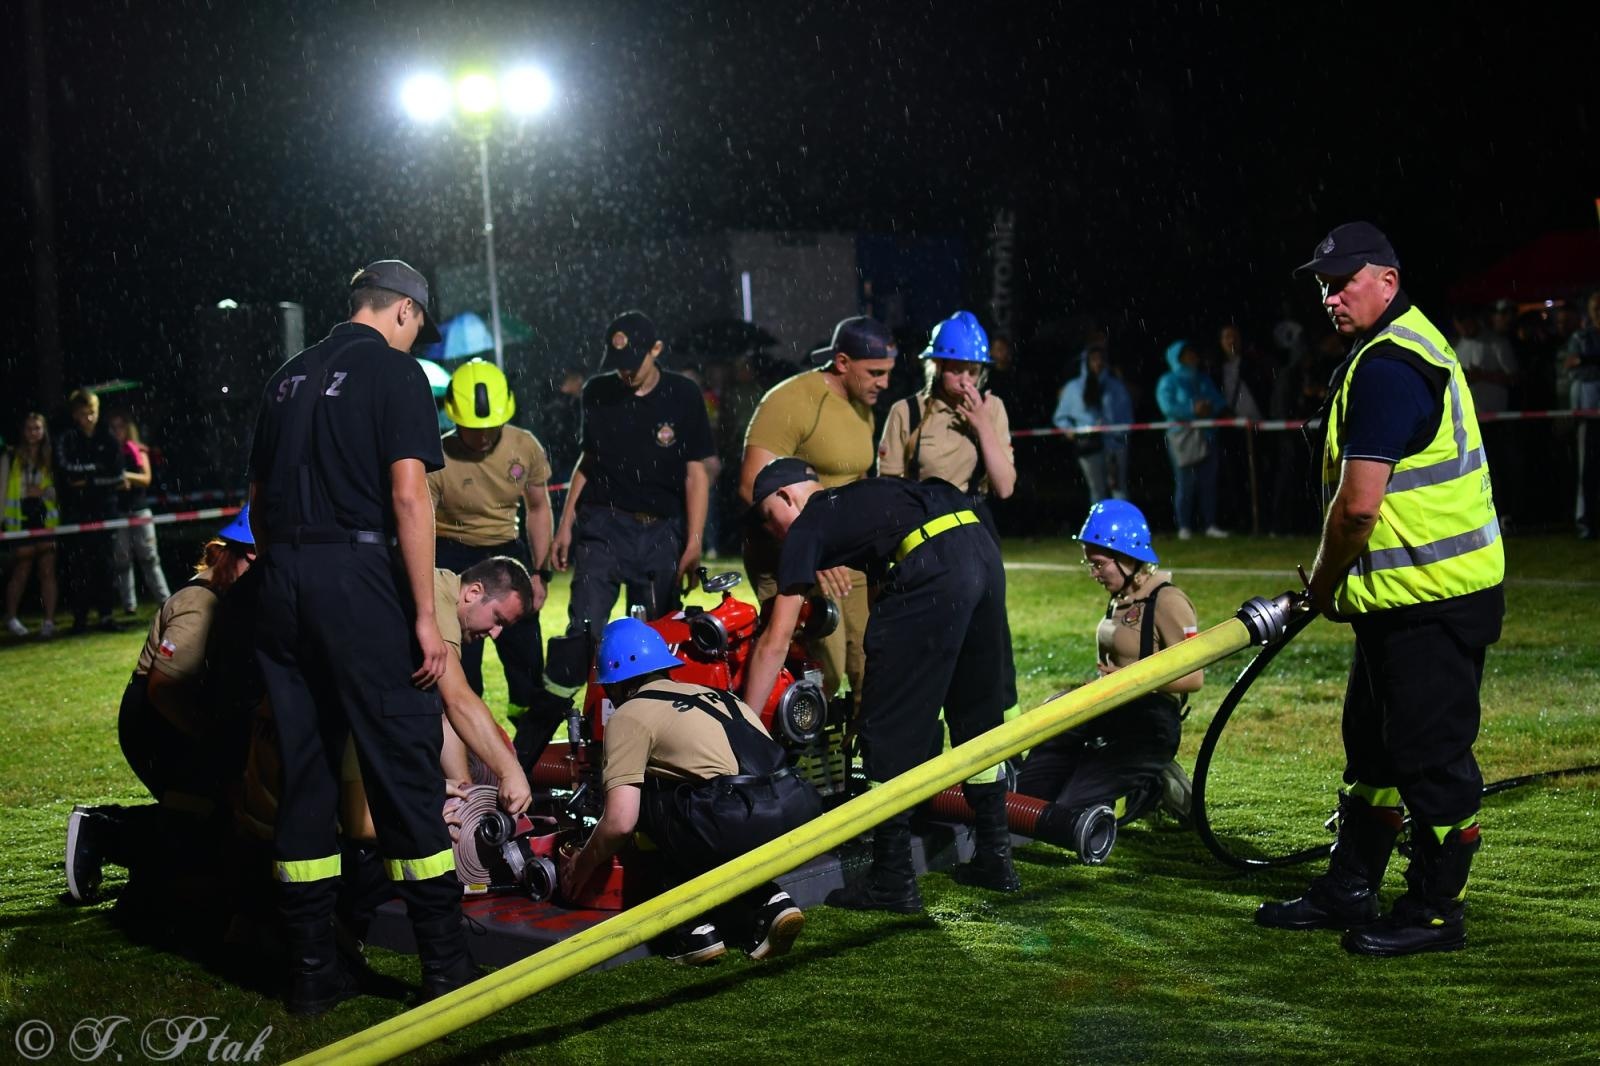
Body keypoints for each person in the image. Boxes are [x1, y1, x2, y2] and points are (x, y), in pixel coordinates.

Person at [1258, 221, 1505, 958]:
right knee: (1373, 751)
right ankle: (1351, 885)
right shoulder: (1394, 348)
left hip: (1432, 599)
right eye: (1324, 287)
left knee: (1430, 759)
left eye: (1344, 283)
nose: (1330, 297)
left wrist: (1321, 586)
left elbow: (1358, 508)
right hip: (1405, 600)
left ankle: (1435, 911)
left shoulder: (1391, 365)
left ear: (1387, 281)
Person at [245, 258, 475, 1014]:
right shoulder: (397, 373)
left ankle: (313, 973)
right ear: (404, 311)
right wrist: (423, 616)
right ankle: (445, 968)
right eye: (418, 325)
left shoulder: (285, 377)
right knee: (402, 767)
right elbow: (409, 496)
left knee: (305, 773)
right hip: (359, 578)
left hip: (282, 581)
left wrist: (290, 570)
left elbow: (257, 501)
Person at [742, 458, 1016, 913]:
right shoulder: (868, 498)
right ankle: (996, 855)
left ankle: (892, 878)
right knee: (977, 711)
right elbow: (881, 607)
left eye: (771, 521)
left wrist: (745, 727)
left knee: (888, 733)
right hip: (980, 547)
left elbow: (776, 640)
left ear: (786, 496)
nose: (776, 535)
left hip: (933, 564)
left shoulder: (808, 524)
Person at [559, 618, 821, 963]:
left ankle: (691, 927)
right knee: (698, 804)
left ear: (614, 685)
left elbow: (620, 822)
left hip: (737, 820)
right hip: (796, 806)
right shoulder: (718, 695)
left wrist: (582, 864)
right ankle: (770, 901)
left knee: (649, 802)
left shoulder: (630, 714)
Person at [1014, 501, 1202, 863]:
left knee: (1068, 810)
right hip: (1109, 710)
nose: (1093, 573)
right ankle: (1107, 769)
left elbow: (1194, 677)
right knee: (1028, 796)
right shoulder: (1120, 598)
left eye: (1099, 564)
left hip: (1148, 723)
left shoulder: (1168, 600)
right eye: (1090, 563)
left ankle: (1149, 786)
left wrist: (1130, 680)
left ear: (1127, 558)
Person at [737, 317, 896, 708]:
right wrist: (813, 546)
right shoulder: (791, 401)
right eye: (875, 372)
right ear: (842, 362)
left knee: (871, 659)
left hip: (846, 553)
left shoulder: (862, 405)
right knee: (821, 668)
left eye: (888, 373)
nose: (884, 383)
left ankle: (861, 746)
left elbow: (855, 476)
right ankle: (769, 737)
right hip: (791, 550)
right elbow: (752, 486)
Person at [877, 309, 1021, 726]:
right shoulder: (906, 411)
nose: (964, 380)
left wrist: (981, 425)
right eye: (955, 369)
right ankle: (925, 727)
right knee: (930, 632)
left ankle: (1004, 737)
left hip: (975, 525)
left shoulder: (992, 408)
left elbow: (1005, 487)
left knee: (990, 636)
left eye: (972, 371)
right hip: (925, 530)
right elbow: (888, 489)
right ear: (936, 365)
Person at [551, 311, 716, 637]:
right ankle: (581, 670)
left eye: (632, 362)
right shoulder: (597, 391)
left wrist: (695, 541)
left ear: (656, 349)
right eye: (619, 363)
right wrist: (565, 525)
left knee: (658, 635)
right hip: (604, 524)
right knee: (583, 628)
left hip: (661, 528)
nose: (625, 371)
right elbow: (589, 459)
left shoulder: (683, 394)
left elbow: (695, 473)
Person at [431, 358, 564, 752]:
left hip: (507, 552)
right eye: (474, 428)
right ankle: (467, 753)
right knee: (462, 668)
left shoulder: (524, 447)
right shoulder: (435, 456)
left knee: (527, 663)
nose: (484, 435)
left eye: (492, 426)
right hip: (452, 554)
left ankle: (529, 751)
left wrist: (540, 572)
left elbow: (538, 508)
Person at [54, 389, 126, 633]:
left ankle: (106, 616)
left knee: (105, 566)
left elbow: (118, 475)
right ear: (75, 414)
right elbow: (65, 472)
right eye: (83, 413)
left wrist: (88, 480)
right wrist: (97, 472)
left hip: (105, 512)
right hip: (76, 513)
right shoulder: (67, 439)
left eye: (92, 413)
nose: (88, 418)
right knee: (78, 567)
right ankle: (80, 618)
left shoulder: (108, 438)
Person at [1155, 340, 1229, 540]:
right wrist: (1192, 409)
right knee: (1185, 482)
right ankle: (1184, 526)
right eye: (1187, 354)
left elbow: (1218, 400)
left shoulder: (1203, 378)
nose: (1192, 357)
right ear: (1177, 358)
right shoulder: (1168, 380)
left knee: (1208, 482)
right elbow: (1167, 407)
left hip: (1207, 435)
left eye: (1192, 353)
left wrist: (1209, 407)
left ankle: (1210, 524)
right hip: (1182, 438)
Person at [106, 411, 172, 614]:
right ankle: (129, 605)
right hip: (119, 512)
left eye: (121, 426)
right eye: (113, 427)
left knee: (150, 558)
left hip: (140, 510)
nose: (117, 431)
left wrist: (124, 477)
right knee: (122, 561)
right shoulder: (108, 452)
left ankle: (165, 600)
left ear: (128, 428)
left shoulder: (138, 450)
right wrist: (117, 482)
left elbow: (146, 479)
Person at [1052, 343, 1133, 503]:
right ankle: (1098, 519)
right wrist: (1070, 431)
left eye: (1101, 359)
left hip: (1115, 445)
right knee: (1096, 490)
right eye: (1093, 359)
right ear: (1086, 362)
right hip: (1088, 445)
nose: (1098, 363)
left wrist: (1119, 433)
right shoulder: (1073, 388)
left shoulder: (1116, 386)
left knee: (1118, 487)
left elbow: (1127, 416)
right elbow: (1060, 417)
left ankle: (1122, 519)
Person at [3, 412, 60, 637]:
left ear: (44, 431)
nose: (33, 433)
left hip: (46, 519)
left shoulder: (52, 456)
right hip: (20, 520)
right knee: (22, 569)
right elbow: (3, 489)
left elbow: (60, 490)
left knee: (47, 570)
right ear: (22, 431)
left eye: (37, 428)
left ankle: (49, 621)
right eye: (29, 428)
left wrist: (44, 492)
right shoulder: (11, 456)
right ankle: (11, 618)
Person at [1560, 290, 1600, 539]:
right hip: (1589, 414)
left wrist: (1587, 361)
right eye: (1596, 308)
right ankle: (1586, 521)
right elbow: (1572, 367)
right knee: (1587, 469)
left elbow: (1581, 364)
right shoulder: (1581, 337)